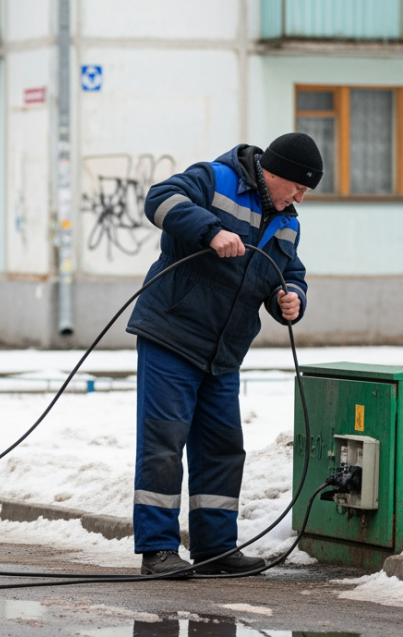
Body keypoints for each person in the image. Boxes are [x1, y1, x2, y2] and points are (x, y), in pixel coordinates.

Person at [125, 133, 322, 576]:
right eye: (298, 187)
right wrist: (211, 231)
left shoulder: (287, 224)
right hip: (171, 335)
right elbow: (158, 200)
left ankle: (215, 551)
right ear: (274, 174)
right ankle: (157, 550)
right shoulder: (215, 179)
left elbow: (288, 274)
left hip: (223, 353)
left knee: (222, 450)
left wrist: (290, 299)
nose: (300, 199)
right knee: (163, 445)